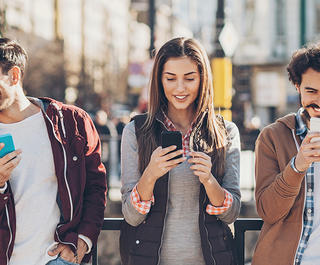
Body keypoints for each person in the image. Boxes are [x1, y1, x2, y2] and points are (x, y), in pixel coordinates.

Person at [119, 37, 241, 265]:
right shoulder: (135, 131)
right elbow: (132, 216)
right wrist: (151, 174)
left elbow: (231, 213)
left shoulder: (226, 132)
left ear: (203, 79)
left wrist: (209, 180)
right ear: (159, 80)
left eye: (189, 78)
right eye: (171, 78)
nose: (180, 88)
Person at [0, 38, 107, 265]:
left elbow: (96, 187)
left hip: (56, 260)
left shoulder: (71, 122)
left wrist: (82, 242)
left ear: (14, 76)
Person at [252, 43, 320, 265]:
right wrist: (297, 166)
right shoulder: (273, 137)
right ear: (298, 86)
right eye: (311, 91)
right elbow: (267, 211)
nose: (319, 102)